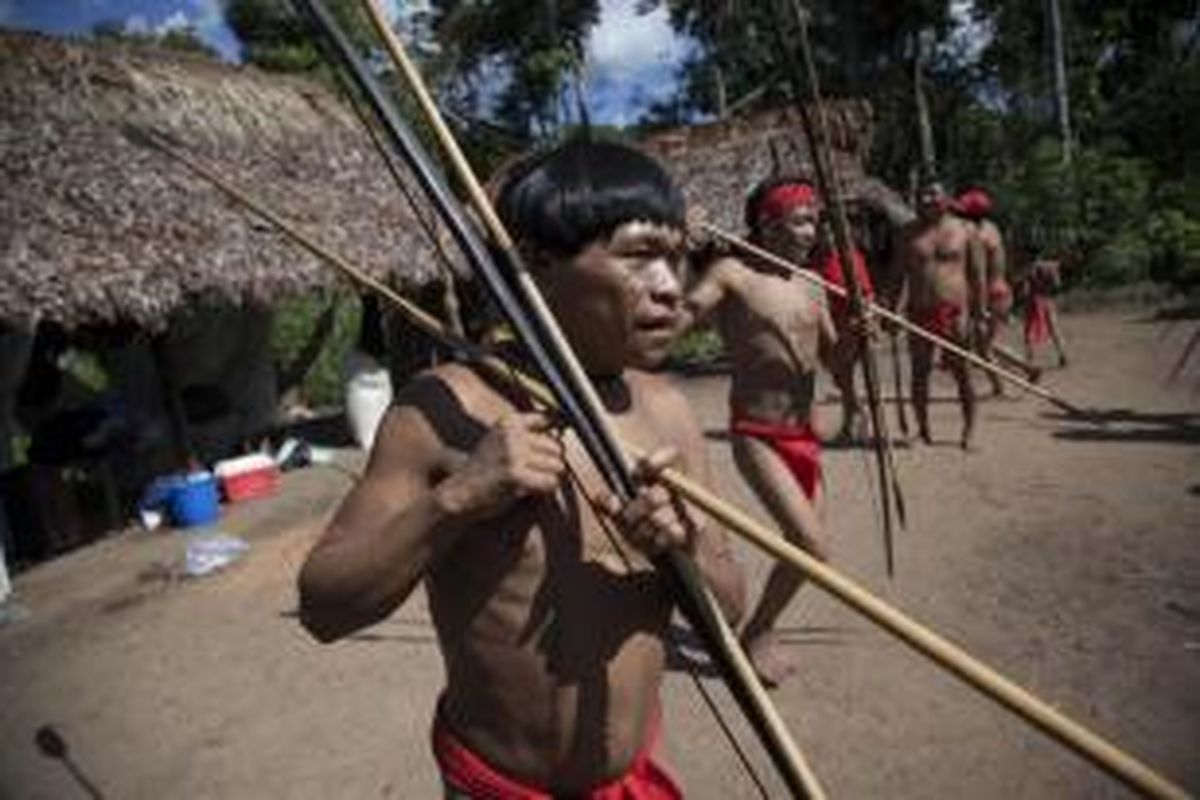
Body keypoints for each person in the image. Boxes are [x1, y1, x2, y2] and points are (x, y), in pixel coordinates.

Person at [297, 140, 745, 799]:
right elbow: (323, 607)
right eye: (639, 256)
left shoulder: (668, 411)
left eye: (676, 259)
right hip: (496, 785)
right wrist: (459, 498)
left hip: (632, 780)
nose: (671, 288)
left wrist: (685, 548)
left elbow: (729, 611)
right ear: (538, 265)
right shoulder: (443, 410)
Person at [679, 176, 838, 687]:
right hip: (757, 432)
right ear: (767, 226)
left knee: (808, 551)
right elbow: (680, 317)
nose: (810, 230)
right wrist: (683, 250)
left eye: (814, 219)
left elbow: (832, 351)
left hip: (805, 434)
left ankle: (760, 630)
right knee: (812, 548)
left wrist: (866, 331)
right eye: (798, 219)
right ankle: (758, 632)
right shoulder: (734, 274)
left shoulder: (813, 284)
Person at [891, 180, 985, 450]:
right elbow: (897, 275)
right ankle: (922, 430)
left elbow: (977, 277)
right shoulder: (907, 234)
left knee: (962, 372)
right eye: (922, 194)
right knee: (919, 373)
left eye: (933, 193)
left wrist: (980, 315)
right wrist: (890, 308)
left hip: (956, 314)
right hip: (919, 313)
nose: (927, 199)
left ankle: (970, 430)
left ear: (947, 197)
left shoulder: (965, 231)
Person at [956, 187, 1040, 395]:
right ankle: (1027, 367)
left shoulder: (976, 234)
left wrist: (981, 306)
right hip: (1001, 291)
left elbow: (979, 273)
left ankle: (999, 387)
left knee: (983, 348)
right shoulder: (991, 228)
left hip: (990, 294)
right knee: (985, 344)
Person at [1024, 256, 1070, 367]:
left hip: (1034, 300)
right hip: (1047, 299)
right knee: (1054, 328)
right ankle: (1062, 354)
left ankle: (1030, 359)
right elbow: (1057, 285)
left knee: (1029, 330)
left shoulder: (1032, 267)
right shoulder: (1052, 266)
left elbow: (1026, 289)